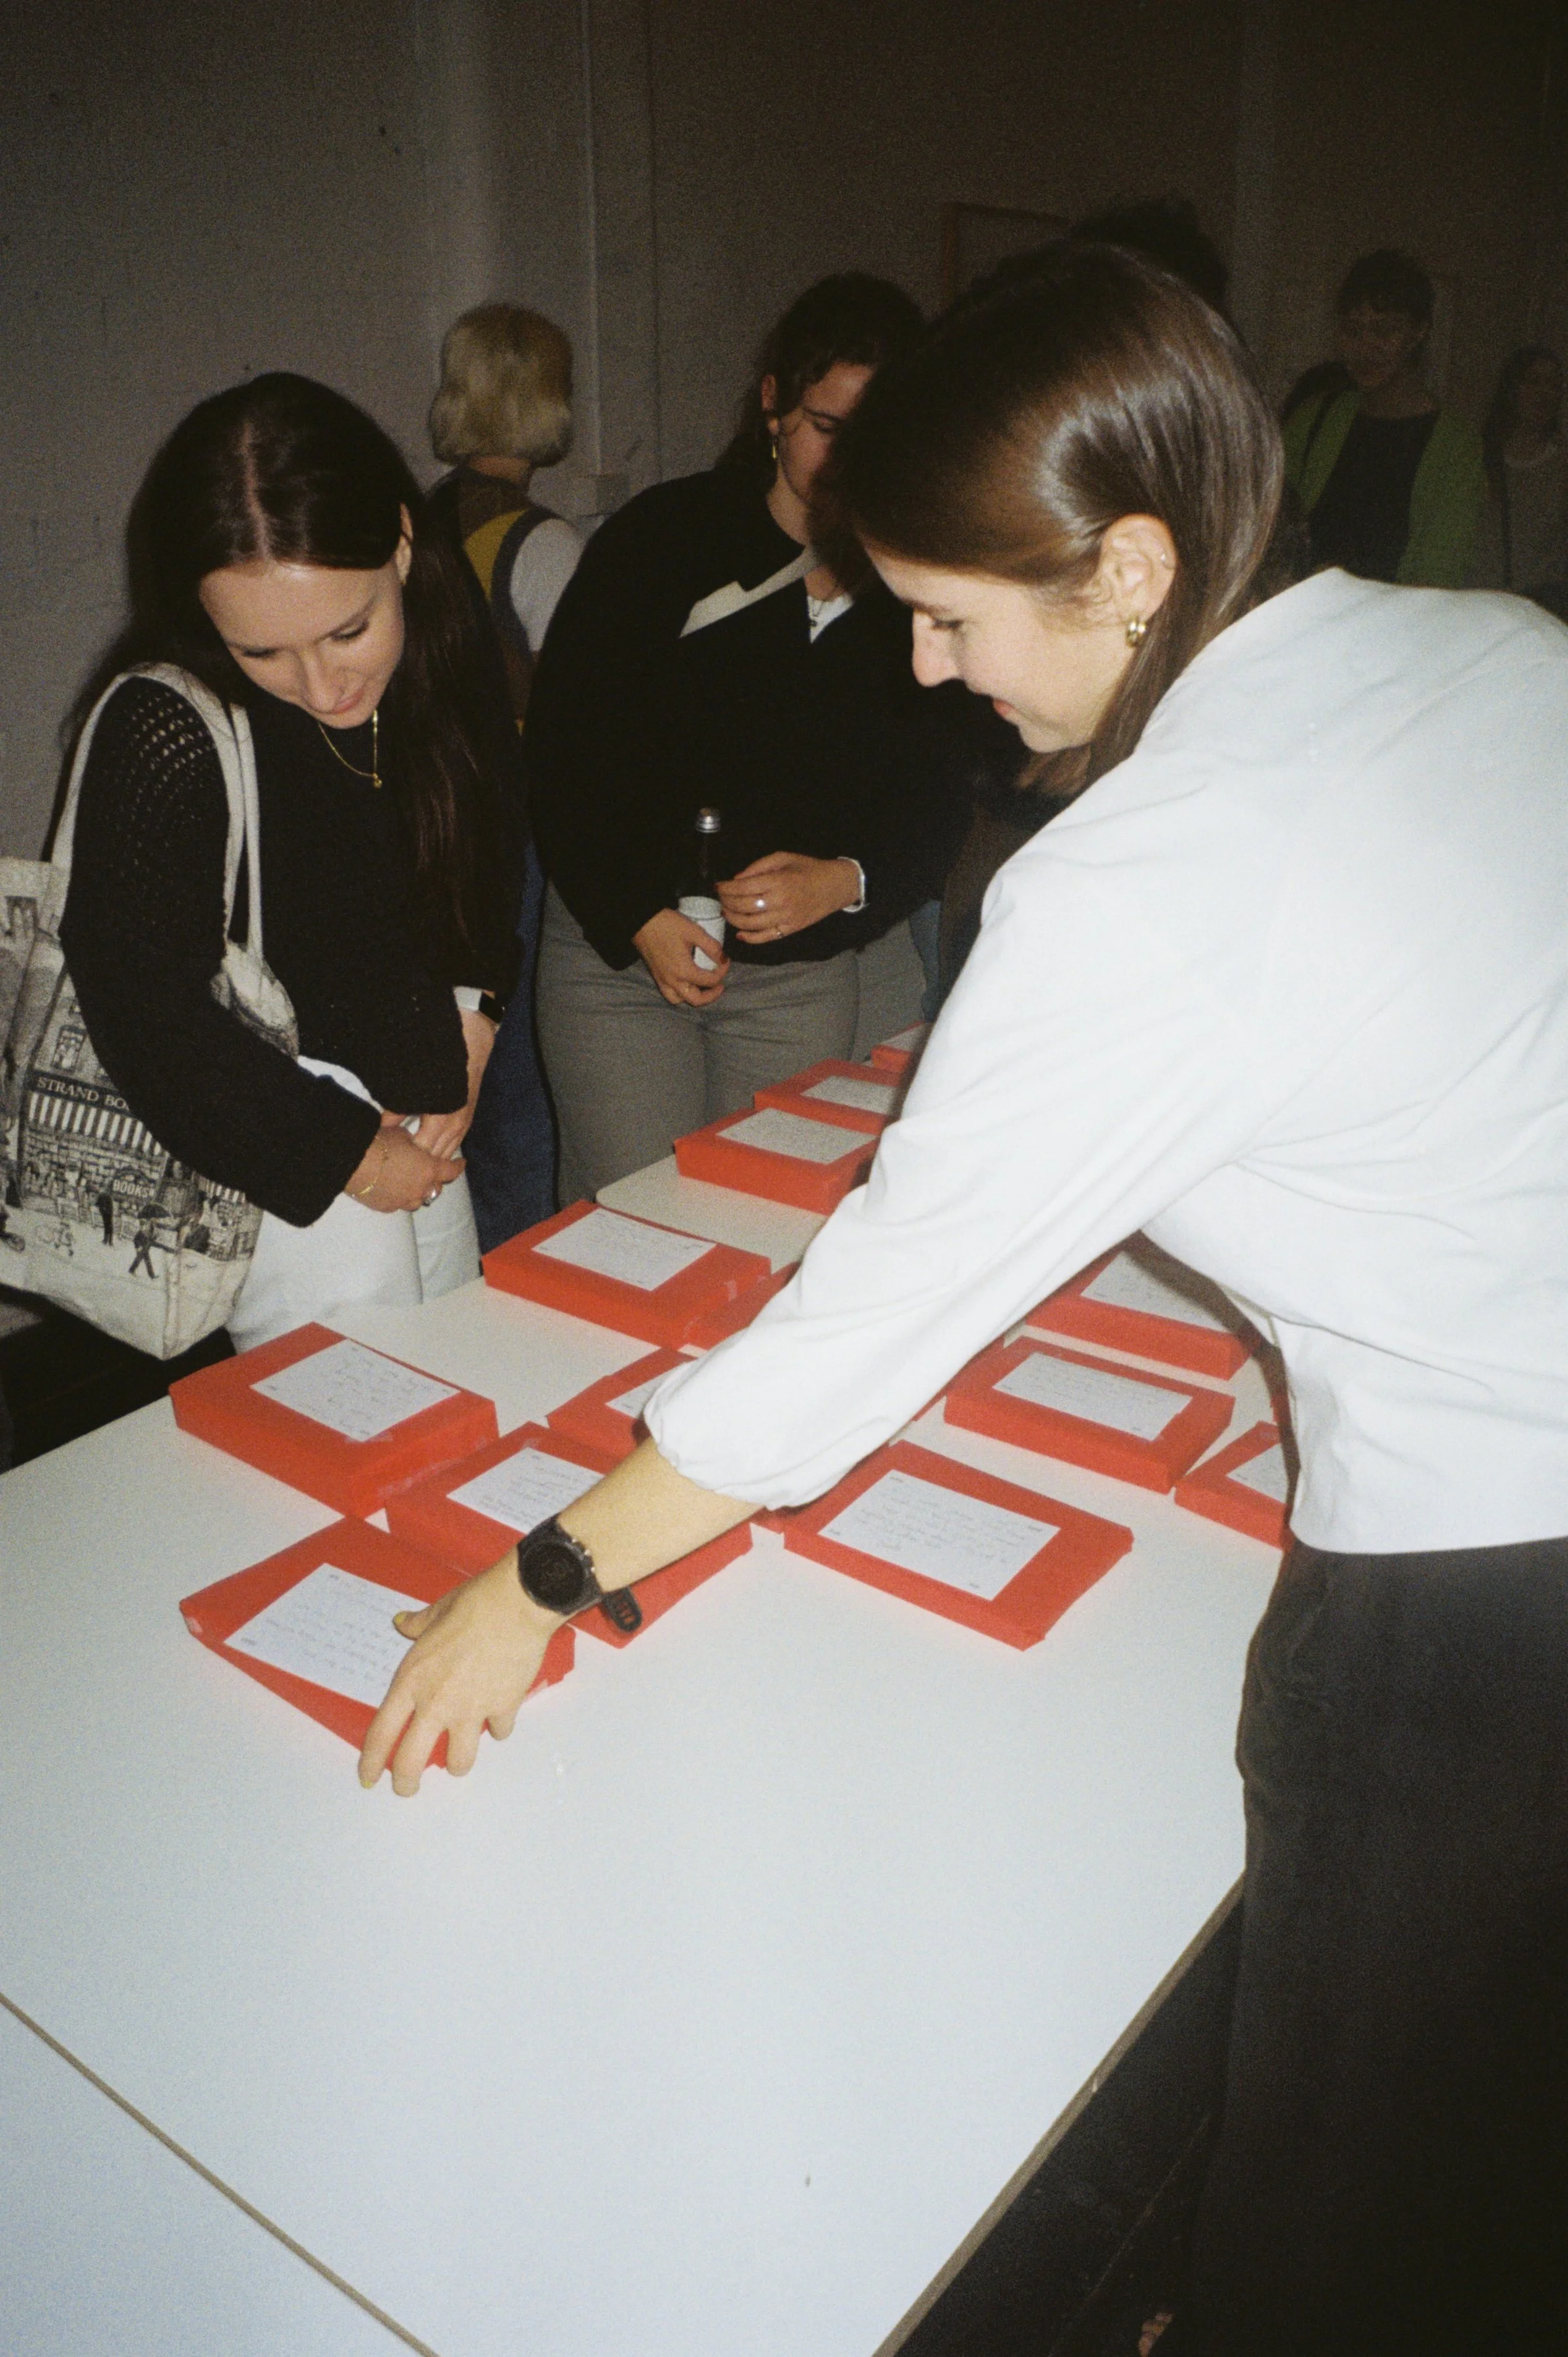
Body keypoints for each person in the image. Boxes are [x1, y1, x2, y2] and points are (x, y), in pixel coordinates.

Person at [361, 245, 1568, 2353]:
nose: (922, 669)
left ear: (1125, 565)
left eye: (951, 613)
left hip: (1488, 1569)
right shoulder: (1486, 641)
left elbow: (848, 1352)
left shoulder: (1142, 876)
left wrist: (535, 1581)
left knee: (1345, 2155)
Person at [60, 372, 521, 1349]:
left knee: (461, 1385)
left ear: (402, 540)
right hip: (280, 1143)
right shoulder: (164, 724)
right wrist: (348, 1153)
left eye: (348, 630)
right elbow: (145, 1010)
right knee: (351, 1439)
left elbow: (482, 818)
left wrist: (477, 1010)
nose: (323, 683)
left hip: (418, 1105)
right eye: (263, 652)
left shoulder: (442, 626)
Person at [524, 272, 967, 1201]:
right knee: (630, 1229)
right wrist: (635, 913)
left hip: (798, 974)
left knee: (765, 1224)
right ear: (773, 402)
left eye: (875, 435)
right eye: (825, 427)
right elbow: (564, 751)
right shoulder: (664, 541)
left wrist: (844, 880)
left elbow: (935, 797)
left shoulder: (915, 585)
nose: (847, 463)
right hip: (625, 959)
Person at [427, 303, 583, 1250]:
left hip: (429, 827)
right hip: (512, 836)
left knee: (455, 1084)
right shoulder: (540, 543)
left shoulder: (415, 518)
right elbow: (592, 708)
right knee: (522, 1091)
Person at [1283, 247, 1484, 585]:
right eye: (1352, 329)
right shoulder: (1314, 420)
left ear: (1418, 332)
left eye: (1383, 330)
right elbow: (1272, 536)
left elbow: (1437, 578)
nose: (1365, 346)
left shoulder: (1456, 448)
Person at [1470, 342, 1568, 607]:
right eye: (1534, 381)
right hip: (1480, 601)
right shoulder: (1476, 457)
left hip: (1541, 607)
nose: (1544, 393)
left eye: (1554, 385)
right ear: (1512, 388)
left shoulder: (1561, 465)